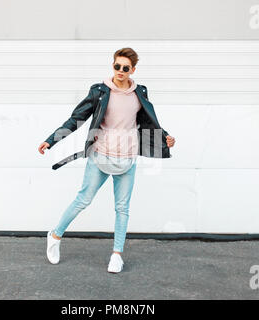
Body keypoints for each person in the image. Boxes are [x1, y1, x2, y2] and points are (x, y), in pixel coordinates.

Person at [38, 48, 175, 273]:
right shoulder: (99, 91)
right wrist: (51, 140)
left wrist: (165, 136)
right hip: (100, 154)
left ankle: (117, 255)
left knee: (122, 208)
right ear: (112, 65)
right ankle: (54, 236)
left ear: (133, 70)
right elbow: (76, 119)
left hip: (127, 158)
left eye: (125, 68)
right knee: (83, 200)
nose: (120, 71)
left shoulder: (139, 92)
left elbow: (149, 121)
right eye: (116, 66)